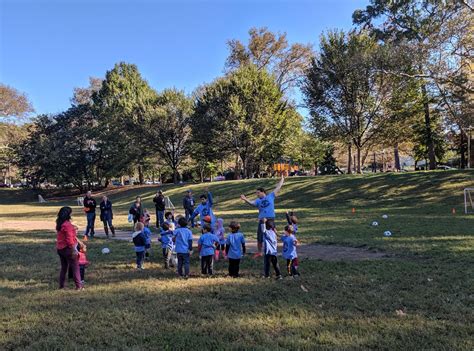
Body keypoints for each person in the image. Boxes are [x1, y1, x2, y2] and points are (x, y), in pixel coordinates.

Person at [240, 175, 284, 256]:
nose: (257, 194)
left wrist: (282, 179)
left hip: (270, 219)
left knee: (272, 235)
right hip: (262, 220)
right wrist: (245, 199)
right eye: (256, 193)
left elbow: (278, 187)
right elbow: (252, 203)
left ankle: (273, 250)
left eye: (258, 193)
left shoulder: (271, 196)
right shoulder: (257, 201)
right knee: (260, 236)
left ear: (263, 192)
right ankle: (260, 252)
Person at [56, 206, 82, 290]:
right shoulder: (67, 225)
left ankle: (61, 286)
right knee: (75, 267)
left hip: (60, 249)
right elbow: (69, 239)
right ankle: (79, 287)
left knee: (64, 268)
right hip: (68, 249)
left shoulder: (60, 224)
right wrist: (73, 249)